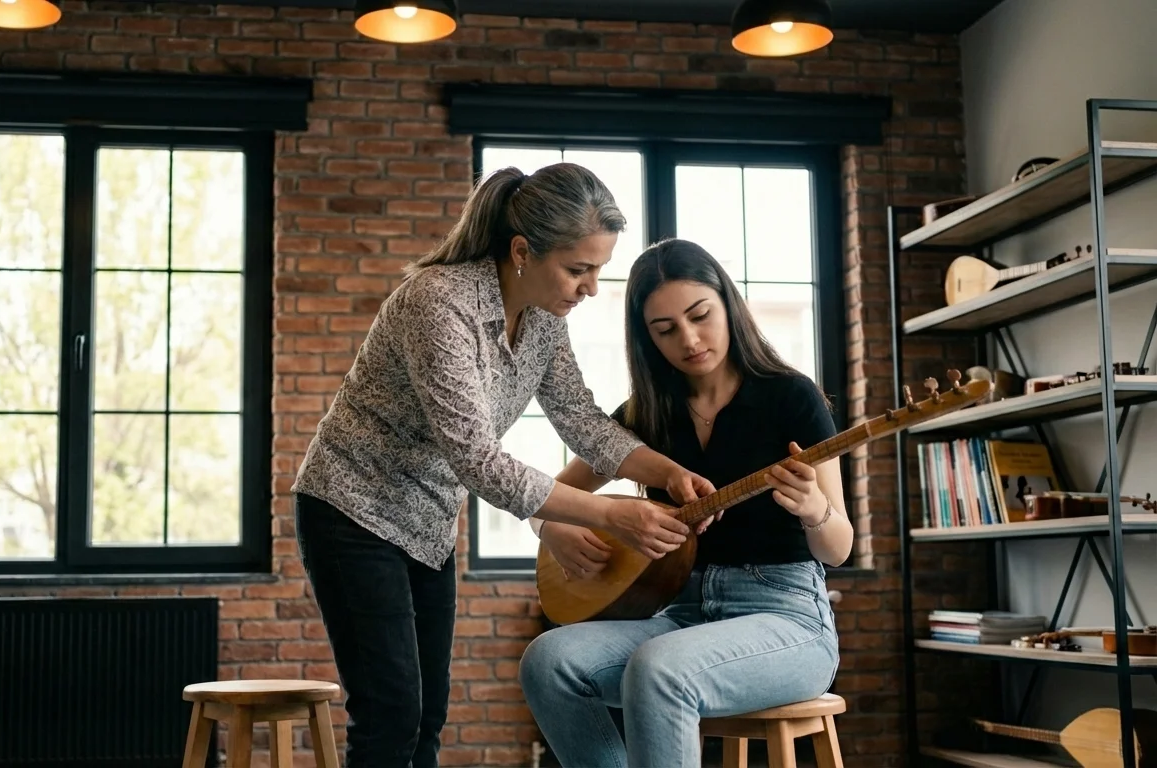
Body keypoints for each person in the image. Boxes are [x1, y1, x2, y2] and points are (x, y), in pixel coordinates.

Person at [291, 164, 721, 768]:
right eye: (578, 269)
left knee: (427, 717)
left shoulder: (544, 319)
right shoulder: (438, 302)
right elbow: (477, 459)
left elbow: (581, 418)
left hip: (428, 526)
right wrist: (610, 515)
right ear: (522, 252)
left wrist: (664, 471)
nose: (591, 288)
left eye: (598, 269)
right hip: (351, 511)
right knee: (390, 715)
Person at [518, 238, 855, 768]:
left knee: (660, 669)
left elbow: (838, 548)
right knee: (549, 661)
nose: (690, 340)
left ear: (728, 304)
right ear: (646, 338)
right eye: (665, 329)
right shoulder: (644, 413)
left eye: (700, 316)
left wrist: (815, 509)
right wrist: (551, 528)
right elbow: (544, 498)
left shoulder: (792, 396)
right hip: (681, 614)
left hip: (788, 620)